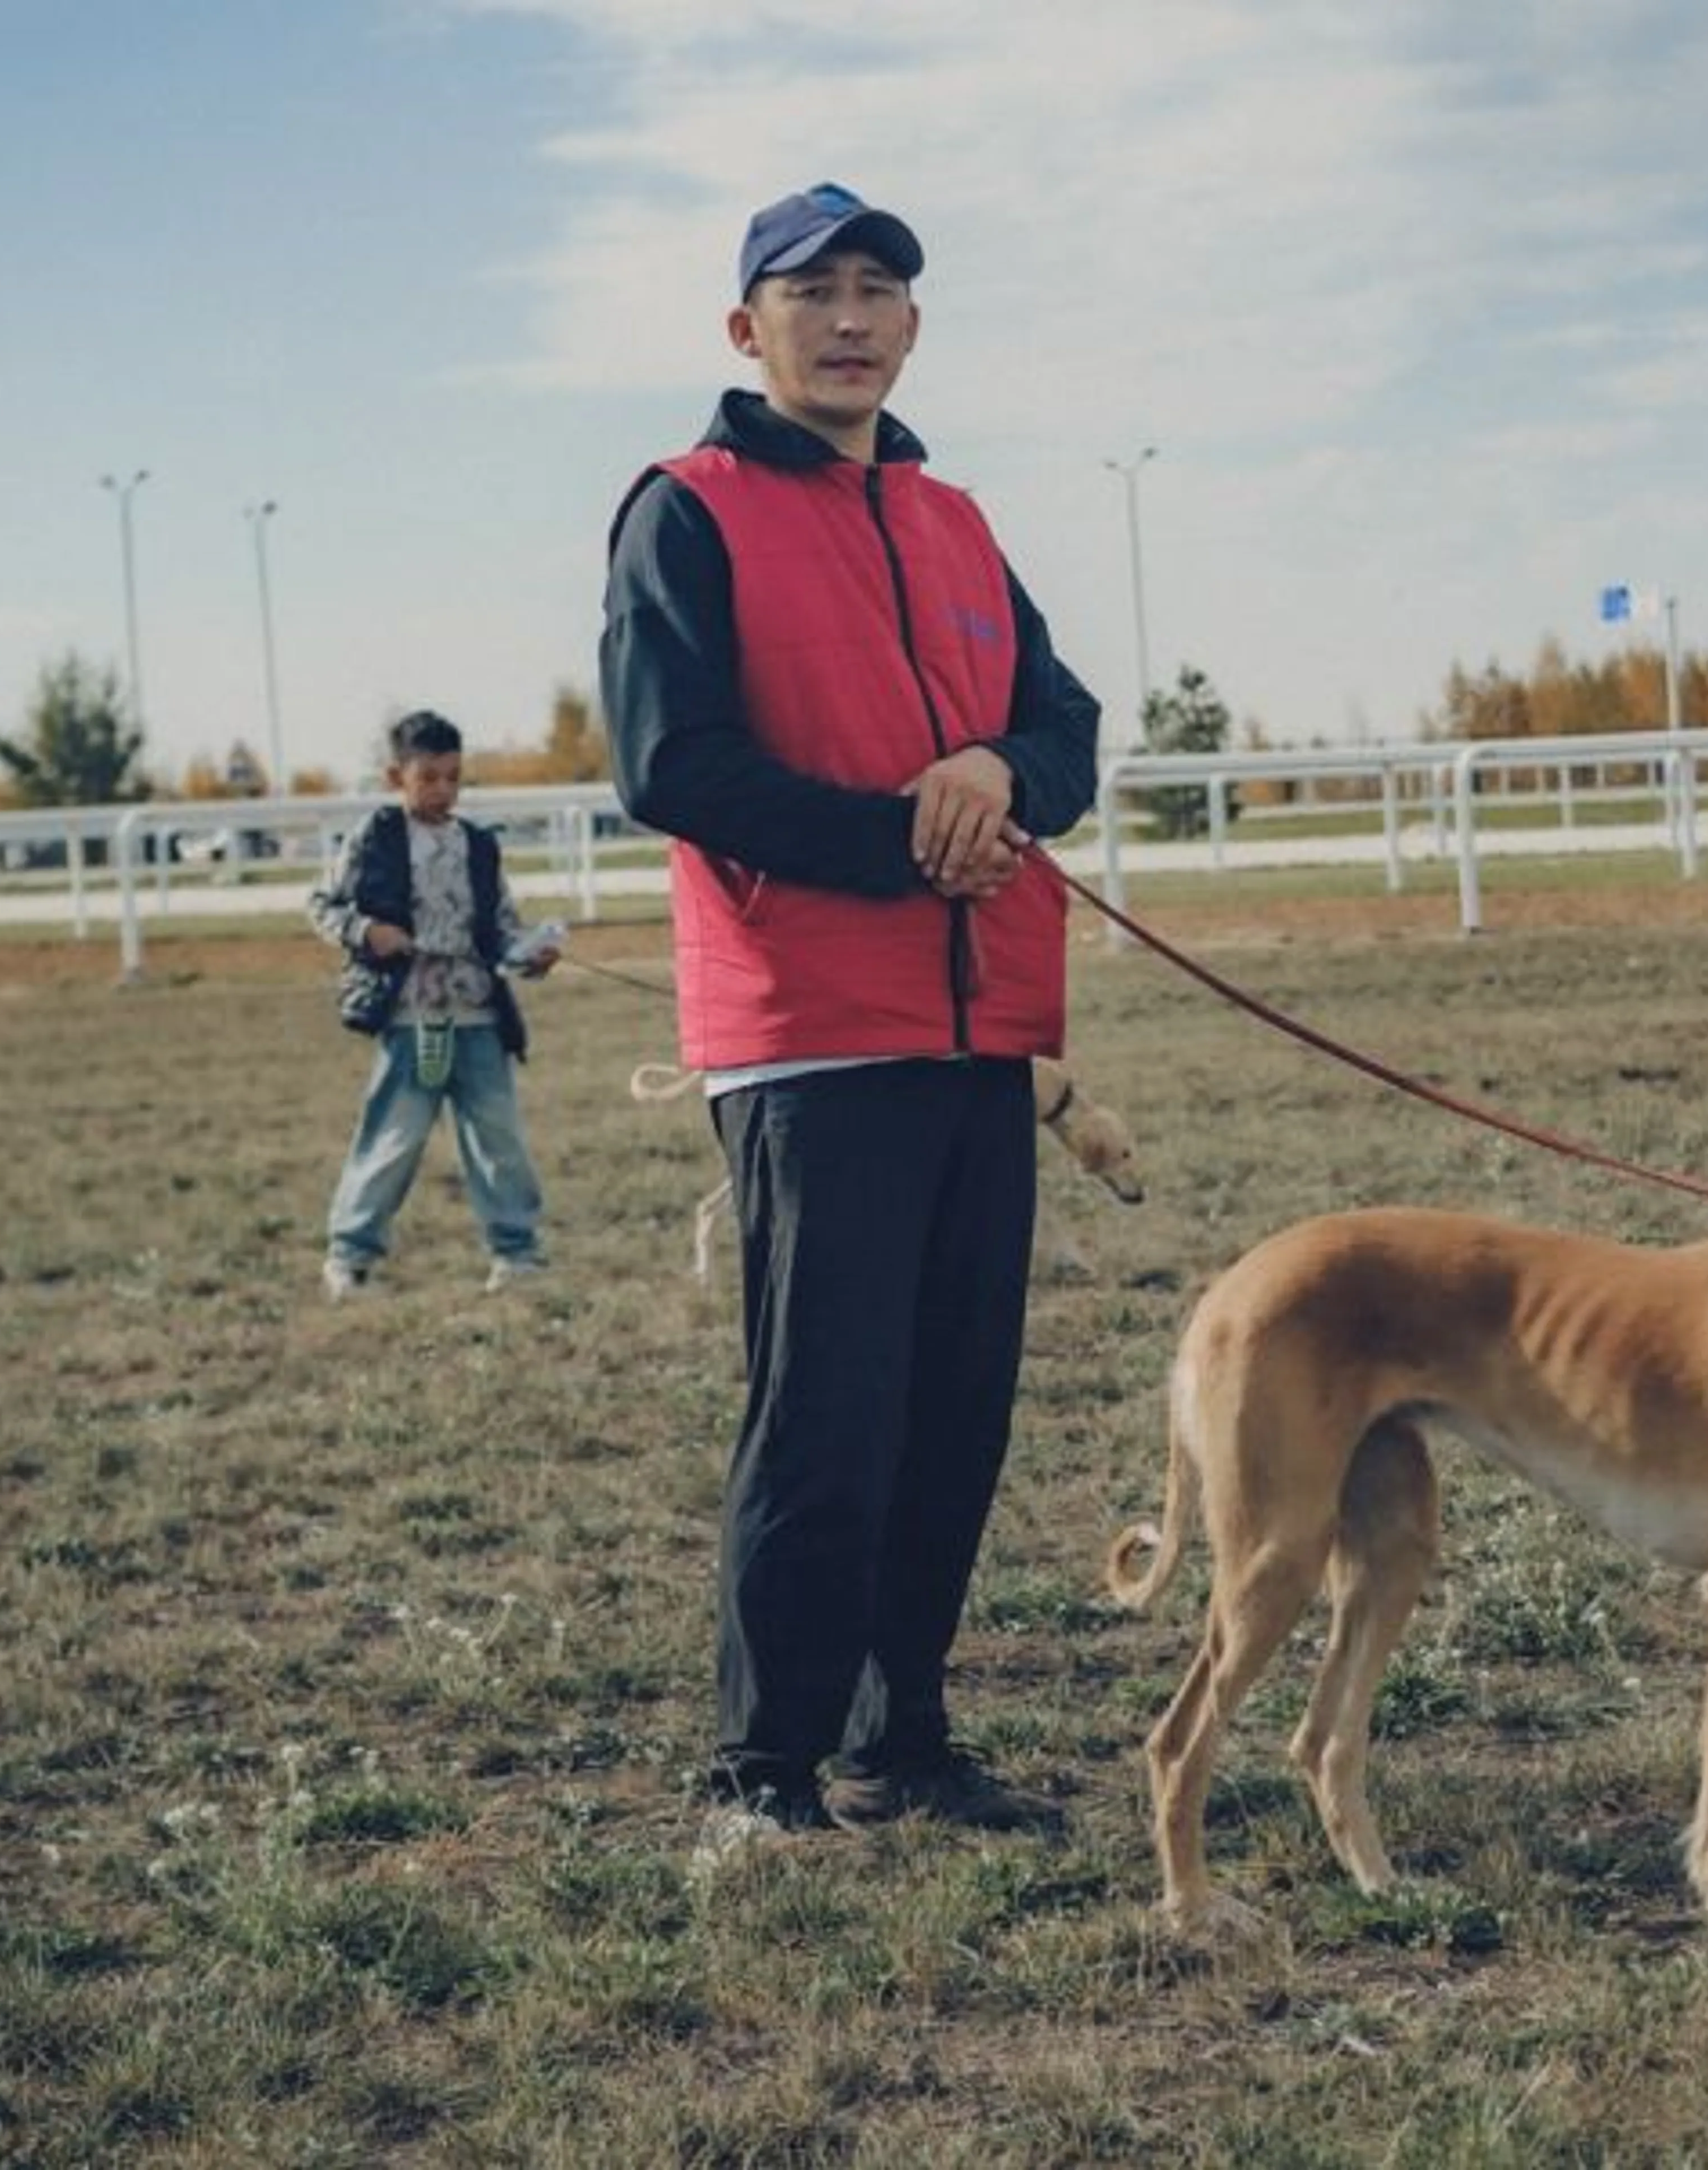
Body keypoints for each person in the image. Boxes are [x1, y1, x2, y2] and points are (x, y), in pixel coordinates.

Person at [600, 182, 1101, 1842]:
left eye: (877, 286)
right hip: (814, 1030)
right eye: (810, 290)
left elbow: (1067, 730)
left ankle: (906, 1740)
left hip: (978, 1028)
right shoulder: (690, 507)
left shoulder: (955, 521)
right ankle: (764, 1770)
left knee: (954, 1408)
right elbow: (672, 764)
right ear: (749, 329)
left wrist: (994, 773)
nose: (848, 315)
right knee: (825, 1414)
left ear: (911, 322)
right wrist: (908, 836)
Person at [309, 709, 558, 1299]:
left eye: (454, 777)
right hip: (412, 1018)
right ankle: (350, 1256)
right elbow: (324, 905)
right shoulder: (376, 837)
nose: (443, 790)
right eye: (430, 778)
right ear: (398, 778)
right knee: (394, 1138)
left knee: (498, 1139)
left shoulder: (477, 845)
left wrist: (530, 955)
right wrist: (367, 931)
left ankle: (517, 1253)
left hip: (478, 1015)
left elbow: (500, 927)